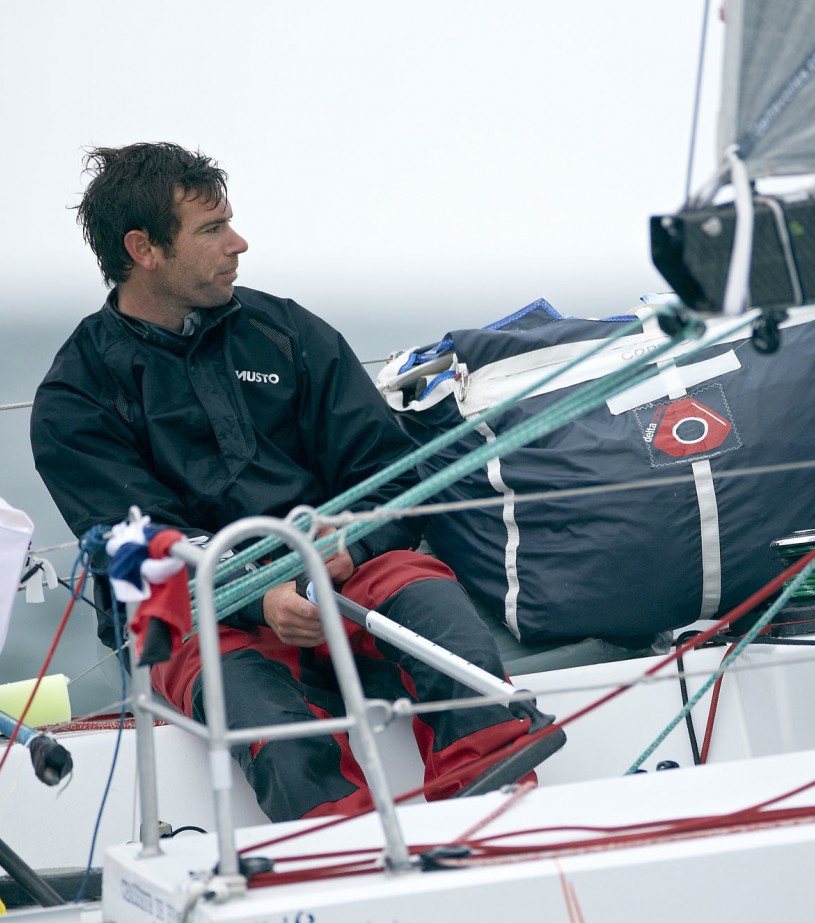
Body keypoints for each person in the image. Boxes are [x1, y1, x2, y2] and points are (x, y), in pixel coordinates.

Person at [30, 142, 557, 822]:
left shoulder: (287, 334)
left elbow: (389, 473)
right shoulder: (77, 398)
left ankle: (498, 824)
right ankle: (351, 869)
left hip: (339, 567)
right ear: (144, 249)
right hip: (200, 615)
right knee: (272, 730)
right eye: (213, 229)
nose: (238, 244)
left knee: (444, 626)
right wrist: (261, 597)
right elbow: (150, 552)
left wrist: (353, 546)